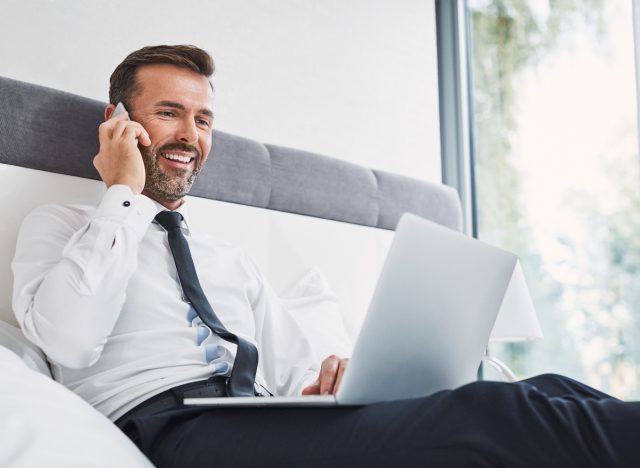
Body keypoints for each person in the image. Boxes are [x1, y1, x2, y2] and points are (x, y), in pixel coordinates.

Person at [11, 44, 640, 467]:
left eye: (203, 120)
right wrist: (122, 193)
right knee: (490, 412)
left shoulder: (228, 259)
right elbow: (69, 341)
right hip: (171, 433)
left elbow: (292, 378)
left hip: (257, 423)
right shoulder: (64, 228)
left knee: (551, 387)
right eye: (169, 113)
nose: (190, 136)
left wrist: (327, 384)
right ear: (118, 121)